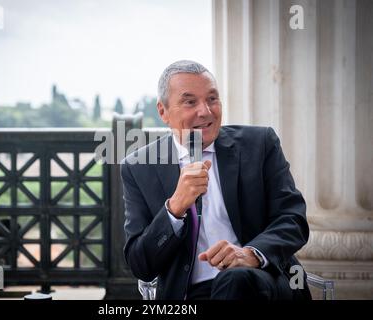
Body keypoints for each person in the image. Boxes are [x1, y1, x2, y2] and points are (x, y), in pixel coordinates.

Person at [121, 60, 312, 300]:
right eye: (190, 102)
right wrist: (174, 208)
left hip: (261, 280)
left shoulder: (260, 143)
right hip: (188, 294)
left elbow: (293, 220)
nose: (206, 111)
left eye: (212, 99)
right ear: (163, 112)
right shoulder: (138, 167)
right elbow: (141, 265)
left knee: (234, 280)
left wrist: (250, 254)